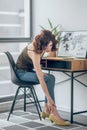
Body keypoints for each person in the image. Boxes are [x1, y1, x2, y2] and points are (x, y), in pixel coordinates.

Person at [16, 30, 70, 126]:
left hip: (28, 71)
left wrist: (40, 72)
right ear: (43, 44)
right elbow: (41, 79)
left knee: (51, 77)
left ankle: (46, 109)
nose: (50, 47)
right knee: (47, 78)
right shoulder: (34, 50)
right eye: (49, 45)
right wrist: (49, 98)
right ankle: (54, 113)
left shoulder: (40, 47)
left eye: (51, 45)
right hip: (20, 74)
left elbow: (46, 56)